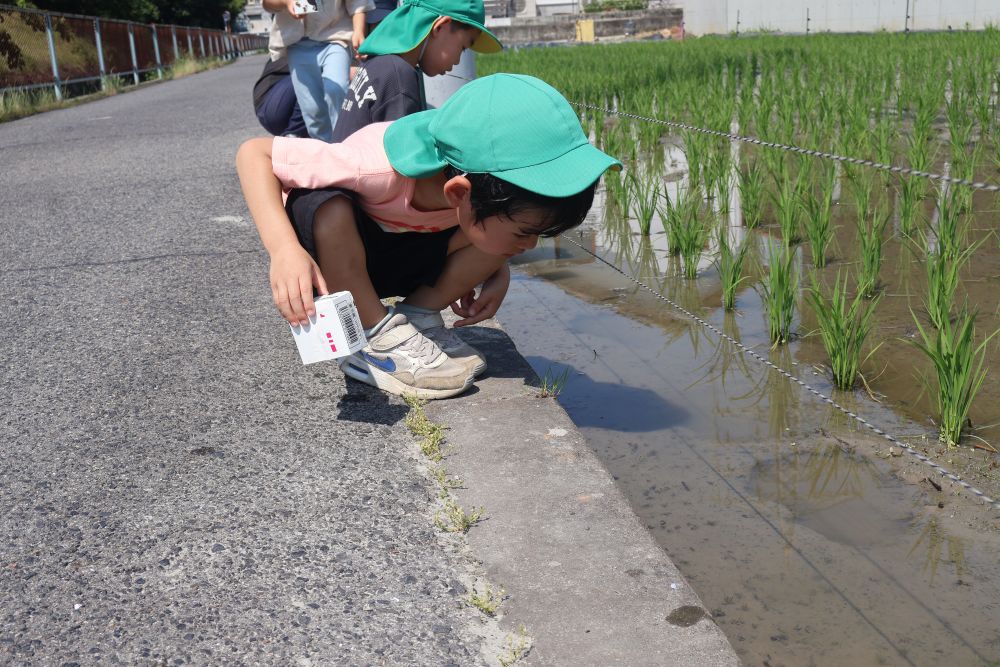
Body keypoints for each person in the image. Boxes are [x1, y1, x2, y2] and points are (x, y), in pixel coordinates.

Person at [236, 74, 621, 399]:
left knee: (496, 238)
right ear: (459, 193)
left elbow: (491, 227)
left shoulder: (478, 172)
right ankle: (375, 338)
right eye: (527, 232)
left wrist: (496, 269)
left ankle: (414, 317)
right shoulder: (371, 167)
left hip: (404, 251)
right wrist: (283, 249)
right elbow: (254, 154)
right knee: (326, 206)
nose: (531, 245)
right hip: (338, 264)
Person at [331, 0, 501, 143]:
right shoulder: (399, 77)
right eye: (463, 48)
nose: (457, 61)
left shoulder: (381, 64)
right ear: (440, 27)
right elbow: (403, 167)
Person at [265, 0, 373, 142]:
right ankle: (323, 145)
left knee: (336, 87)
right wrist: (286, 3)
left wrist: (359, 31)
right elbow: (267, 3)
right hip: (297, 44)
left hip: (335, 37)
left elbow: (358, 4)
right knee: (311, 107)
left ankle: (345, 141)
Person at [253, 56, 308, 138]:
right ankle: (294, 134)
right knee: (315, 78)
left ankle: (295, 135)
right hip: (276, 105)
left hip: (267, 105)